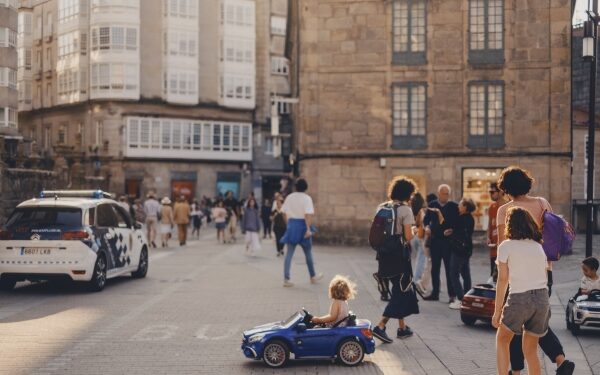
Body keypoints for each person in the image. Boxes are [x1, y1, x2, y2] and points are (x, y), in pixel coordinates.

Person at [496, 166, 574, 375]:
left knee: (513, 327)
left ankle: (517, 370)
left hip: (517, 276)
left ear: (505, 187)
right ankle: (560, 360)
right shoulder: (542, 203)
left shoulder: (505, 210)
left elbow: (504, 243)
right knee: (537, 323)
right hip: (544, 272)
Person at [493, 207, 550, 375]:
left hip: (519, 298)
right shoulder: (538, 246)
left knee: (502, 340)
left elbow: (503, 279)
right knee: (531, 350)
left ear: (510, 225)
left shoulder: (506, 246)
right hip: (542, 299)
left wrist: (497, 311)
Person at [371, 176, 419, 343]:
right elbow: (407, 236)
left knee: (399, 288)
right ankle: (381, 326)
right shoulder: (405, 210)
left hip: (383, 254)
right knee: (402, 290)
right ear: (407, 193)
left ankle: (402, 328)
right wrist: (415, 231)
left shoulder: (382, 207)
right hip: (399, 255)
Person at [280, 178, 323, 287]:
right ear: (306, 187)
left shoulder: (289, 197)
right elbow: (308, 215)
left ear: (296, 187)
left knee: (289, 253)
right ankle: (312, 276)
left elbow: (283, 212)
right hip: (303, 225)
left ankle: (286, 279)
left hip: (292, 225)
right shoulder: (307, 198)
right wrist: (308, 229)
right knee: (308, 253)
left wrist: (288, 224)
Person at [423, 184, 459, 302]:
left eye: (447, 194)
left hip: (448, 242)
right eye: (444, 193)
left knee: (450, 269)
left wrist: (453, 230)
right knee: (435, 268)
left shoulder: (453, 206)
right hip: (435, 241)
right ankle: (435, 292)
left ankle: (452, 295)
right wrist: (427, 227)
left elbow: (457, 223)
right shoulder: (433, 204)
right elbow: (426, 220)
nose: (446, 196)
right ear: (439, 193)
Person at [448, 198, 476, 310]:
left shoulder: (460, 219)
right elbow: (462, 231)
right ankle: (467, 298)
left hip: (458, 249)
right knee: (465, 274)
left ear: (465, 207)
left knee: (454, 274)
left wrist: (450, 232)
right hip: (467, 249)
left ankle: (461, 299)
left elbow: (451, 226)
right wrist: (452, 231)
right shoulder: (471, 219)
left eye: (460, 205)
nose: (458, 206)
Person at [488, 182, 507, 277]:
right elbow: (490, 224)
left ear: (500, 192)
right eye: (489, 192)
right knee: (493, 276)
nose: (490, 194)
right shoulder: (492, 207)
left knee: (504, 276)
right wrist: (488, 237)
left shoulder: (508, 207)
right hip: (493, 249)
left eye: (492, 192)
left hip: (504, 248)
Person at [411, 193, 428, 297]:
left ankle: (416, 278)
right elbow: (422, 223)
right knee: (421, 259)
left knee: (416, 258)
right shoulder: (422, 210)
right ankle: (416, 279)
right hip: (421, 236)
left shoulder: (411, 208)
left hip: (414, 235)